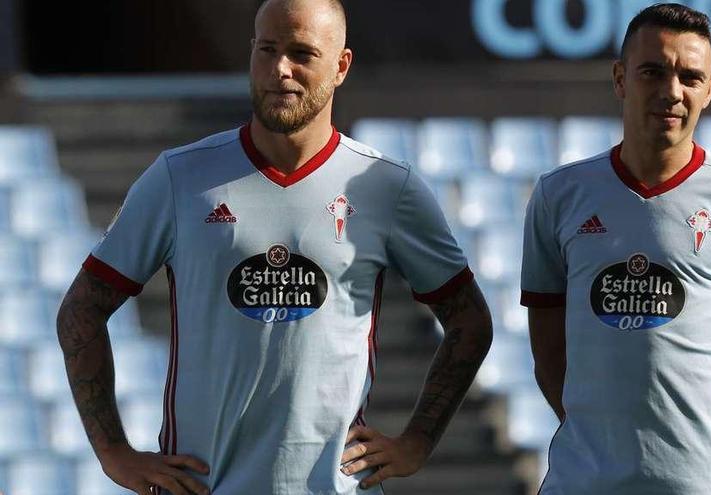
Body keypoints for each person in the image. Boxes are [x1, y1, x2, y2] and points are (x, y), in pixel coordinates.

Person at [55, 0, 493, 493]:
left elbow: (469, 319)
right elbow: (81, 310)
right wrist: (114, 454)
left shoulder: (387, 187)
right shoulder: (179, 177)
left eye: (302, 53)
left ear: (342, 65)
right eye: (267, 49)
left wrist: (417, 441)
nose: (280, 69)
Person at [520, 4, 711, 494]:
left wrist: (703, 444)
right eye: (653, 71)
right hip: (581, 482)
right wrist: (603, 439)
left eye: (691, 77)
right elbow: (547, 350)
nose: (672, 91)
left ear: (709, 90)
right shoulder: (558, 196)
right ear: (621, 78)